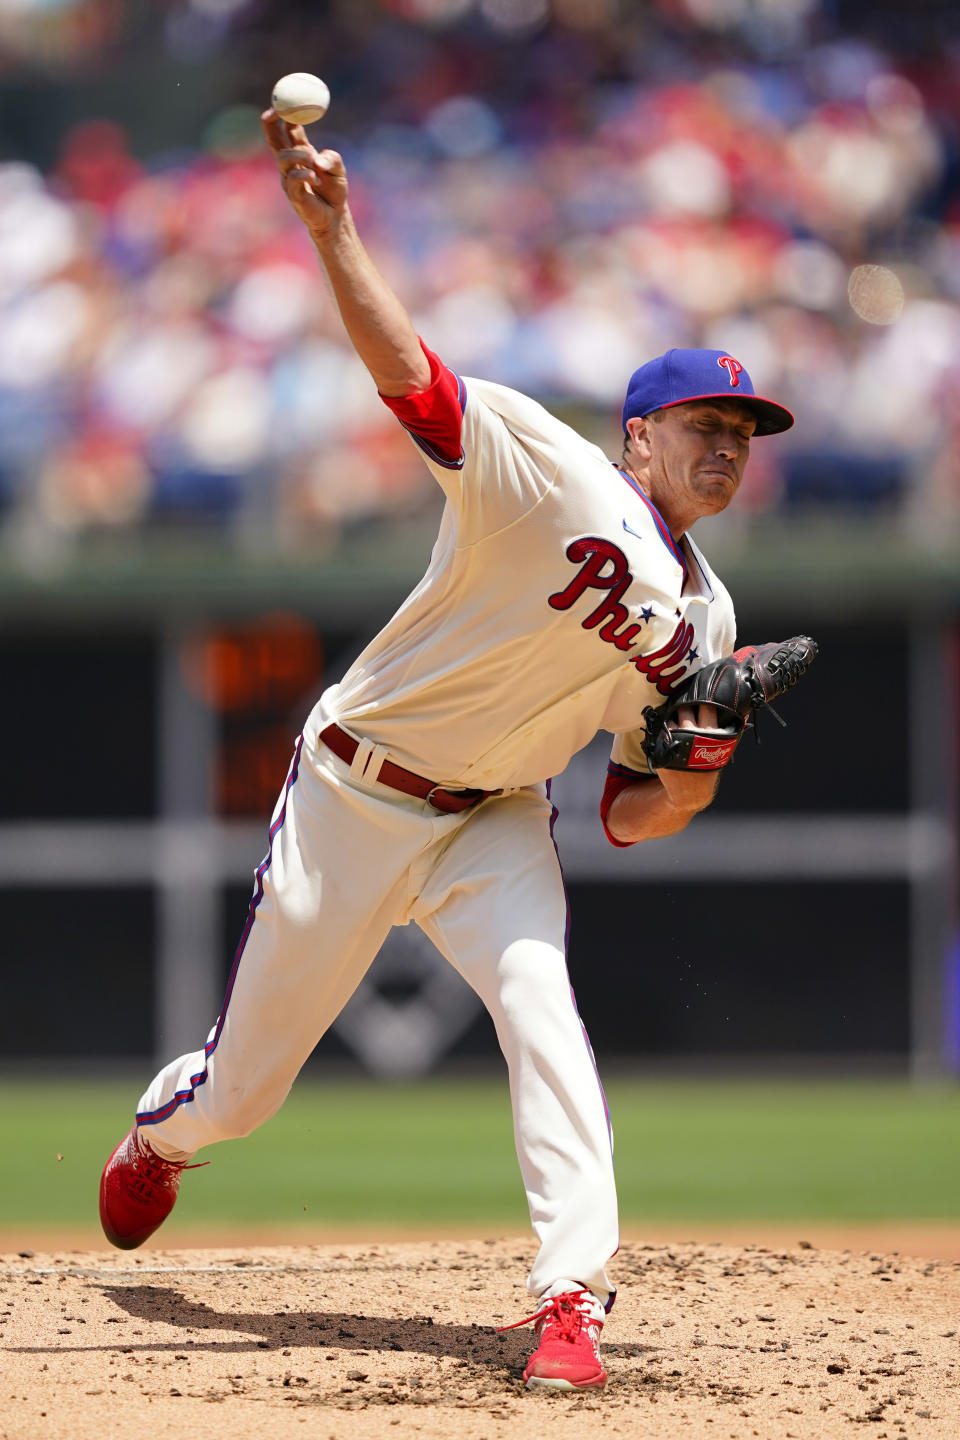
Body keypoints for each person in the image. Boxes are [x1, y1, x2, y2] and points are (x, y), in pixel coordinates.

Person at [98, 110, 795, 1393]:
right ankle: (163, 1139)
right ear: (638, 435)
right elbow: (411, 376)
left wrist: (700, 763)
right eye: (705, 419)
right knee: (244, 1092)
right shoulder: (547, 470)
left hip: (495, 820)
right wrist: (334, 229)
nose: (728, 444)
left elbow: (637, 816)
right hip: (358, 788)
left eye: (745, 432)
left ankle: (570, 1304)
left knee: (545, 1015)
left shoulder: (710, 621)